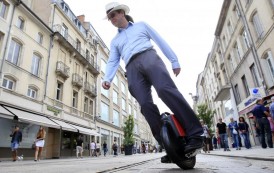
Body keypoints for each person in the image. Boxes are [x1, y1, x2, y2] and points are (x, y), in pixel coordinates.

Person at [102, 2, 203, 163]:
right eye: (109, 18)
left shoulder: (141, 25)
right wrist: (107, 78)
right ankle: (170, 146)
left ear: (121, 13)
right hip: (131, 68)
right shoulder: (115, 41)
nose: (112, 19)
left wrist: (174, 60)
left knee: (164, 90)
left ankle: (196, 134)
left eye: (113, 15)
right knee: (145, 105)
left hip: (149, 57)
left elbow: (159, 39)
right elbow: (113, 61)